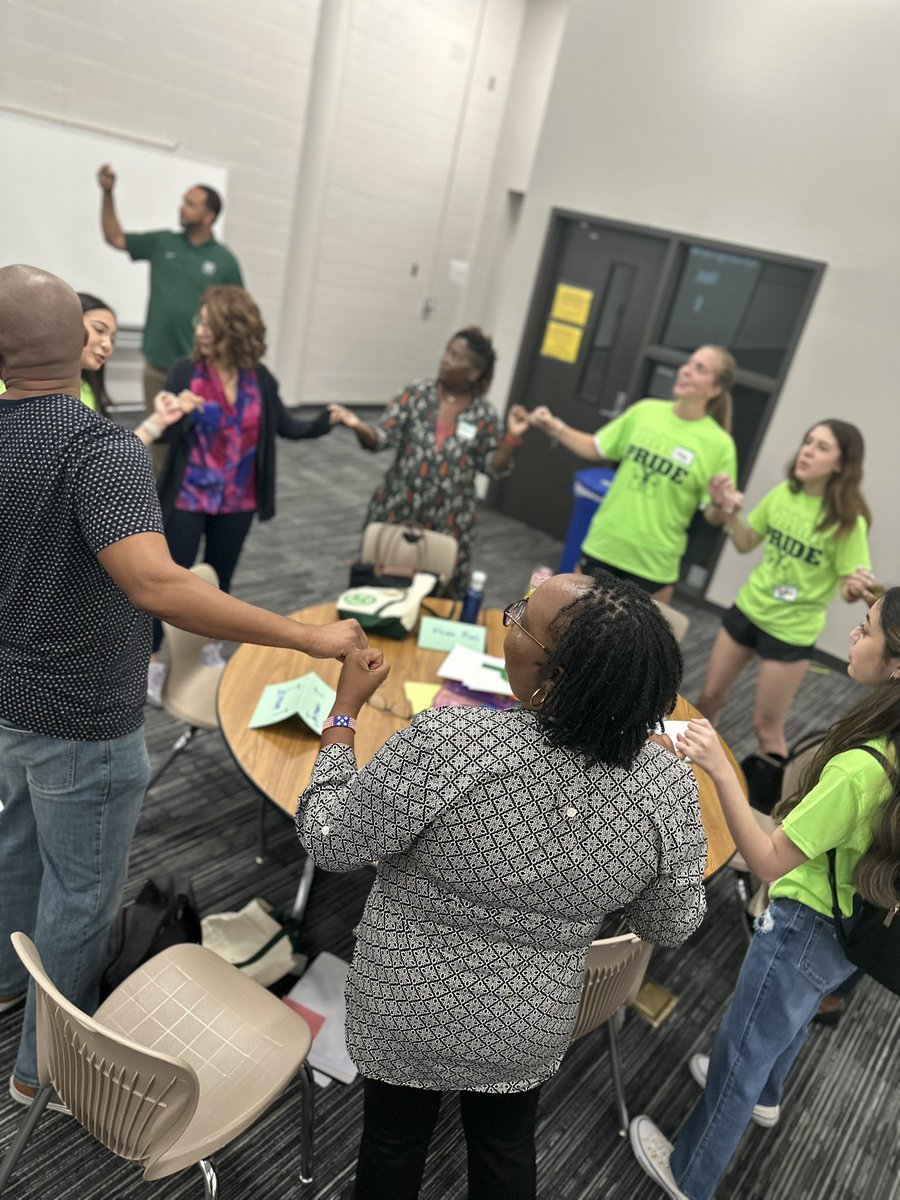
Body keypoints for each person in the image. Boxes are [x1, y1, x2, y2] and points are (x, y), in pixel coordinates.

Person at [0, 264, 364, 1111]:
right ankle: (41, 1065)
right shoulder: (96, 449)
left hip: (11, 700)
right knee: (81, 893)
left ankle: (8, 986)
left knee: (16, 848)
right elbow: (158, 586)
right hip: (82, 715)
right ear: (83, 342)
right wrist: (308, 636)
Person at [297, 572, 708, 1199]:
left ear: (556, 677)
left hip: (407, 1003)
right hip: (528, 1017)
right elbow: (670, 923)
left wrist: (344, 713)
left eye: (521, 620)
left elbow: (331, 839)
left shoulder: (447, 747)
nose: (507, 624)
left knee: (391, 1143)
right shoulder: (666, 788)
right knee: (505, 1148)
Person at [630, 590, 900, 1200]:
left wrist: (722, 771)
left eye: (864, 629)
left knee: (741, 1053)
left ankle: (688, 1174)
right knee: (792, 1018)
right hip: (849, 925)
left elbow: (769, 862)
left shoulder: (861, 769)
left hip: (805, 924)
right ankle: (768, 1097)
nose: (852, 637)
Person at [144, 284, 334, 703]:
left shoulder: (259, 380)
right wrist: (179, 414)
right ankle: (152, 658)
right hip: (189, 494)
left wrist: (326, 420)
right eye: (200, 322)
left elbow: (286, 425)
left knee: (220, 577)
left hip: (238, 500)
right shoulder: (184, 372)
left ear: (233, 328)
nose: (200, 331)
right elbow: (166, 435)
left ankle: (210, 642)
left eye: (209, 323)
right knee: (170, 578)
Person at [696, 419, 875, 762]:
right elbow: (746, 543)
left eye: (822, 447)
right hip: (749, 608)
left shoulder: (848, 520)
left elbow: (847, 589)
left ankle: (768, 808)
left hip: (791, 631)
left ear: (840, 464)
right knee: (709, 699)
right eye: (808, 441)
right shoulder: (783, 494)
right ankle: (696, 773)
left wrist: (854, 588)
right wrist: (732, 514)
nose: (807, 450)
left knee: (767, 728)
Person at [328, 327, 531, 596]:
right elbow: (379, 438)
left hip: (450, 520)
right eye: (447, 352)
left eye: (457, 357)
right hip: (397, 507)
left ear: (474, 372)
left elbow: (494, 467)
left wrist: (512, 439)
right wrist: (356, 425)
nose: (446, 360)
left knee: (438, 595)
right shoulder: (415, 394)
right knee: (380, 587)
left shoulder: (483, 414)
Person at [529, 345, 738, 603]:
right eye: (688, 364)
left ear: (715, 389)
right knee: (575, 634)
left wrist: (720, 504)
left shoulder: (720, 444)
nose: (686, 371)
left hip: (653, 565)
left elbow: (714, 516)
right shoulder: (645, 411)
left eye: (700, 369)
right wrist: (555, 427)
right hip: (605, 545)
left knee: (633, 643)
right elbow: (597, 447)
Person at [96, 164, 243, 427]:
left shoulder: (224, 261)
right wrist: (108, 193)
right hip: (158, 363)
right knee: (158, 432)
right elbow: (115, 237)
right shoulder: (163, 242)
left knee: (195, 435)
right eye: (183, 201)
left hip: (200, 366)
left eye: (190, 203)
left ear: (208, 216)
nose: (181, 207)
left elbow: (237, 315)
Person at [76, 291, 194, 446]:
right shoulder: (45, 396)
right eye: (99, 330)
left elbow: (107, 457)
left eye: (113, 340)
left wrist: (159, 420)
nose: (107, 346)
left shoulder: (86, 389)